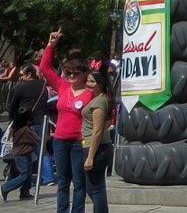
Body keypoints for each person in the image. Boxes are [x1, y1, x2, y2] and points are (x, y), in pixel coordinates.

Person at [41, 29, 94, 213]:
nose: (71, 76)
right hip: (60, 140)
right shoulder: (62, 86)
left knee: (79, 182)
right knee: (63, 181)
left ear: (85, 73)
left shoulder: (90, 92)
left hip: (80, 141)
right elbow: (45, 68)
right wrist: (51, 44)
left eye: (75, 72)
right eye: (68, 72)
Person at [8, 63, 53, 185]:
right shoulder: (43, 87)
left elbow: (13, 105)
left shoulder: (21, 87)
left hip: (27, 123)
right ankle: (48, 177)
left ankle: (28, 179)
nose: (22, 77)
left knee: (26, 150)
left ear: (29, 74)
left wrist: (13, 118)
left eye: (23, 75)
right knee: (42, 150)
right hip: (42, 121)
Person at [81, 70, 112, 213]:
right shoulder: (101, 99)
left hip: (96, 148)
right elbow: (107, 123)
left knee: (95, 188)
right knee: (94, 188)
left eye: (92, 81)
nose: (89, 84)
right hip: (95, 146)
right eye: (88, 80)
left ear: (101, 83)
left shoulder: (99, 101)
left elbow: (97, 130)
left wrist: (90, 157)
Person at [0, 109, 40, 202]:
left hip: (25, 152)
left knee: (29, 174)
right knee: (24, 175)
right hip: (22, 154)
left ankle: (25, 192)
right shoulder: (25, 130)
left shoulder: (16, 128)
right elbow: (36, 139)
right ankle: (5, 188)